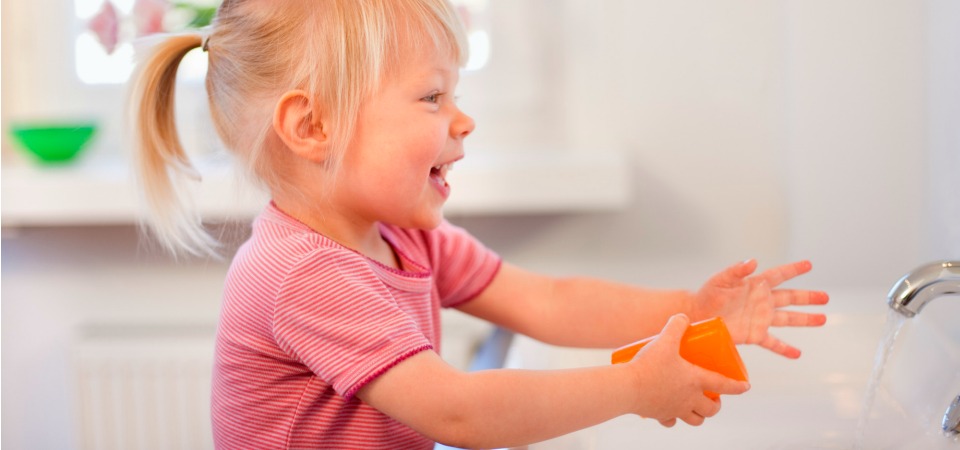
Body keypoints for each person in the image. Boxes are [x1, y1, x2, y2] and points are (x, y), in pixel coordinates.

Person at [129, 0, 829, 448]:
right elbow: (458, 412)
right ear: (312, 126)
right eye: (432, 96)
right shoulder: (303, 274)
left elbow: (548, 302)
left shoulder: (404, 234)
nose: (463, 119)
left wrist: (689, 308)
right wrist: (632, 390)